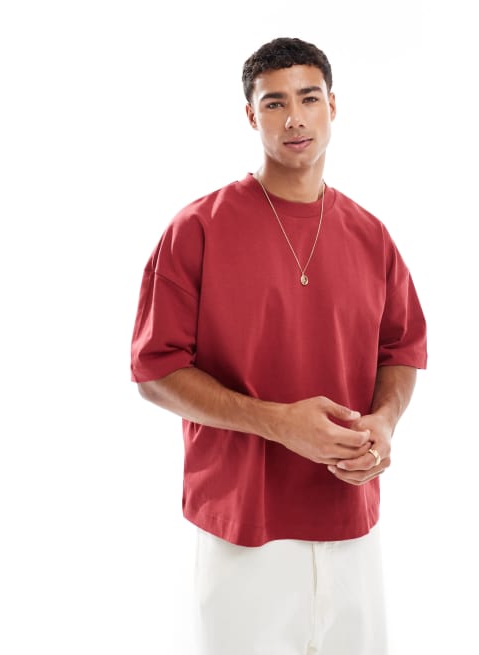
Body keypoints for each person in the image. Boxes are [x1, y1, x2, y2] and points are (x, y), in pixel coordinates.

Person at [130, 36, 427, 655]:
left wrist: (384, 422)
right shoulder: (198, 229)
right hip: (244, 530)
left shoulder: (372, 235)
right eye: (275, 102)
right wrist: (278, 423)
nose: (295, 117)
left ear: (332, 106)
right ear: (251, 115)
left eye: (308, 98)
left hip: (351, 521)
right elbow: (155, 371)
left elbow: (400, 349)